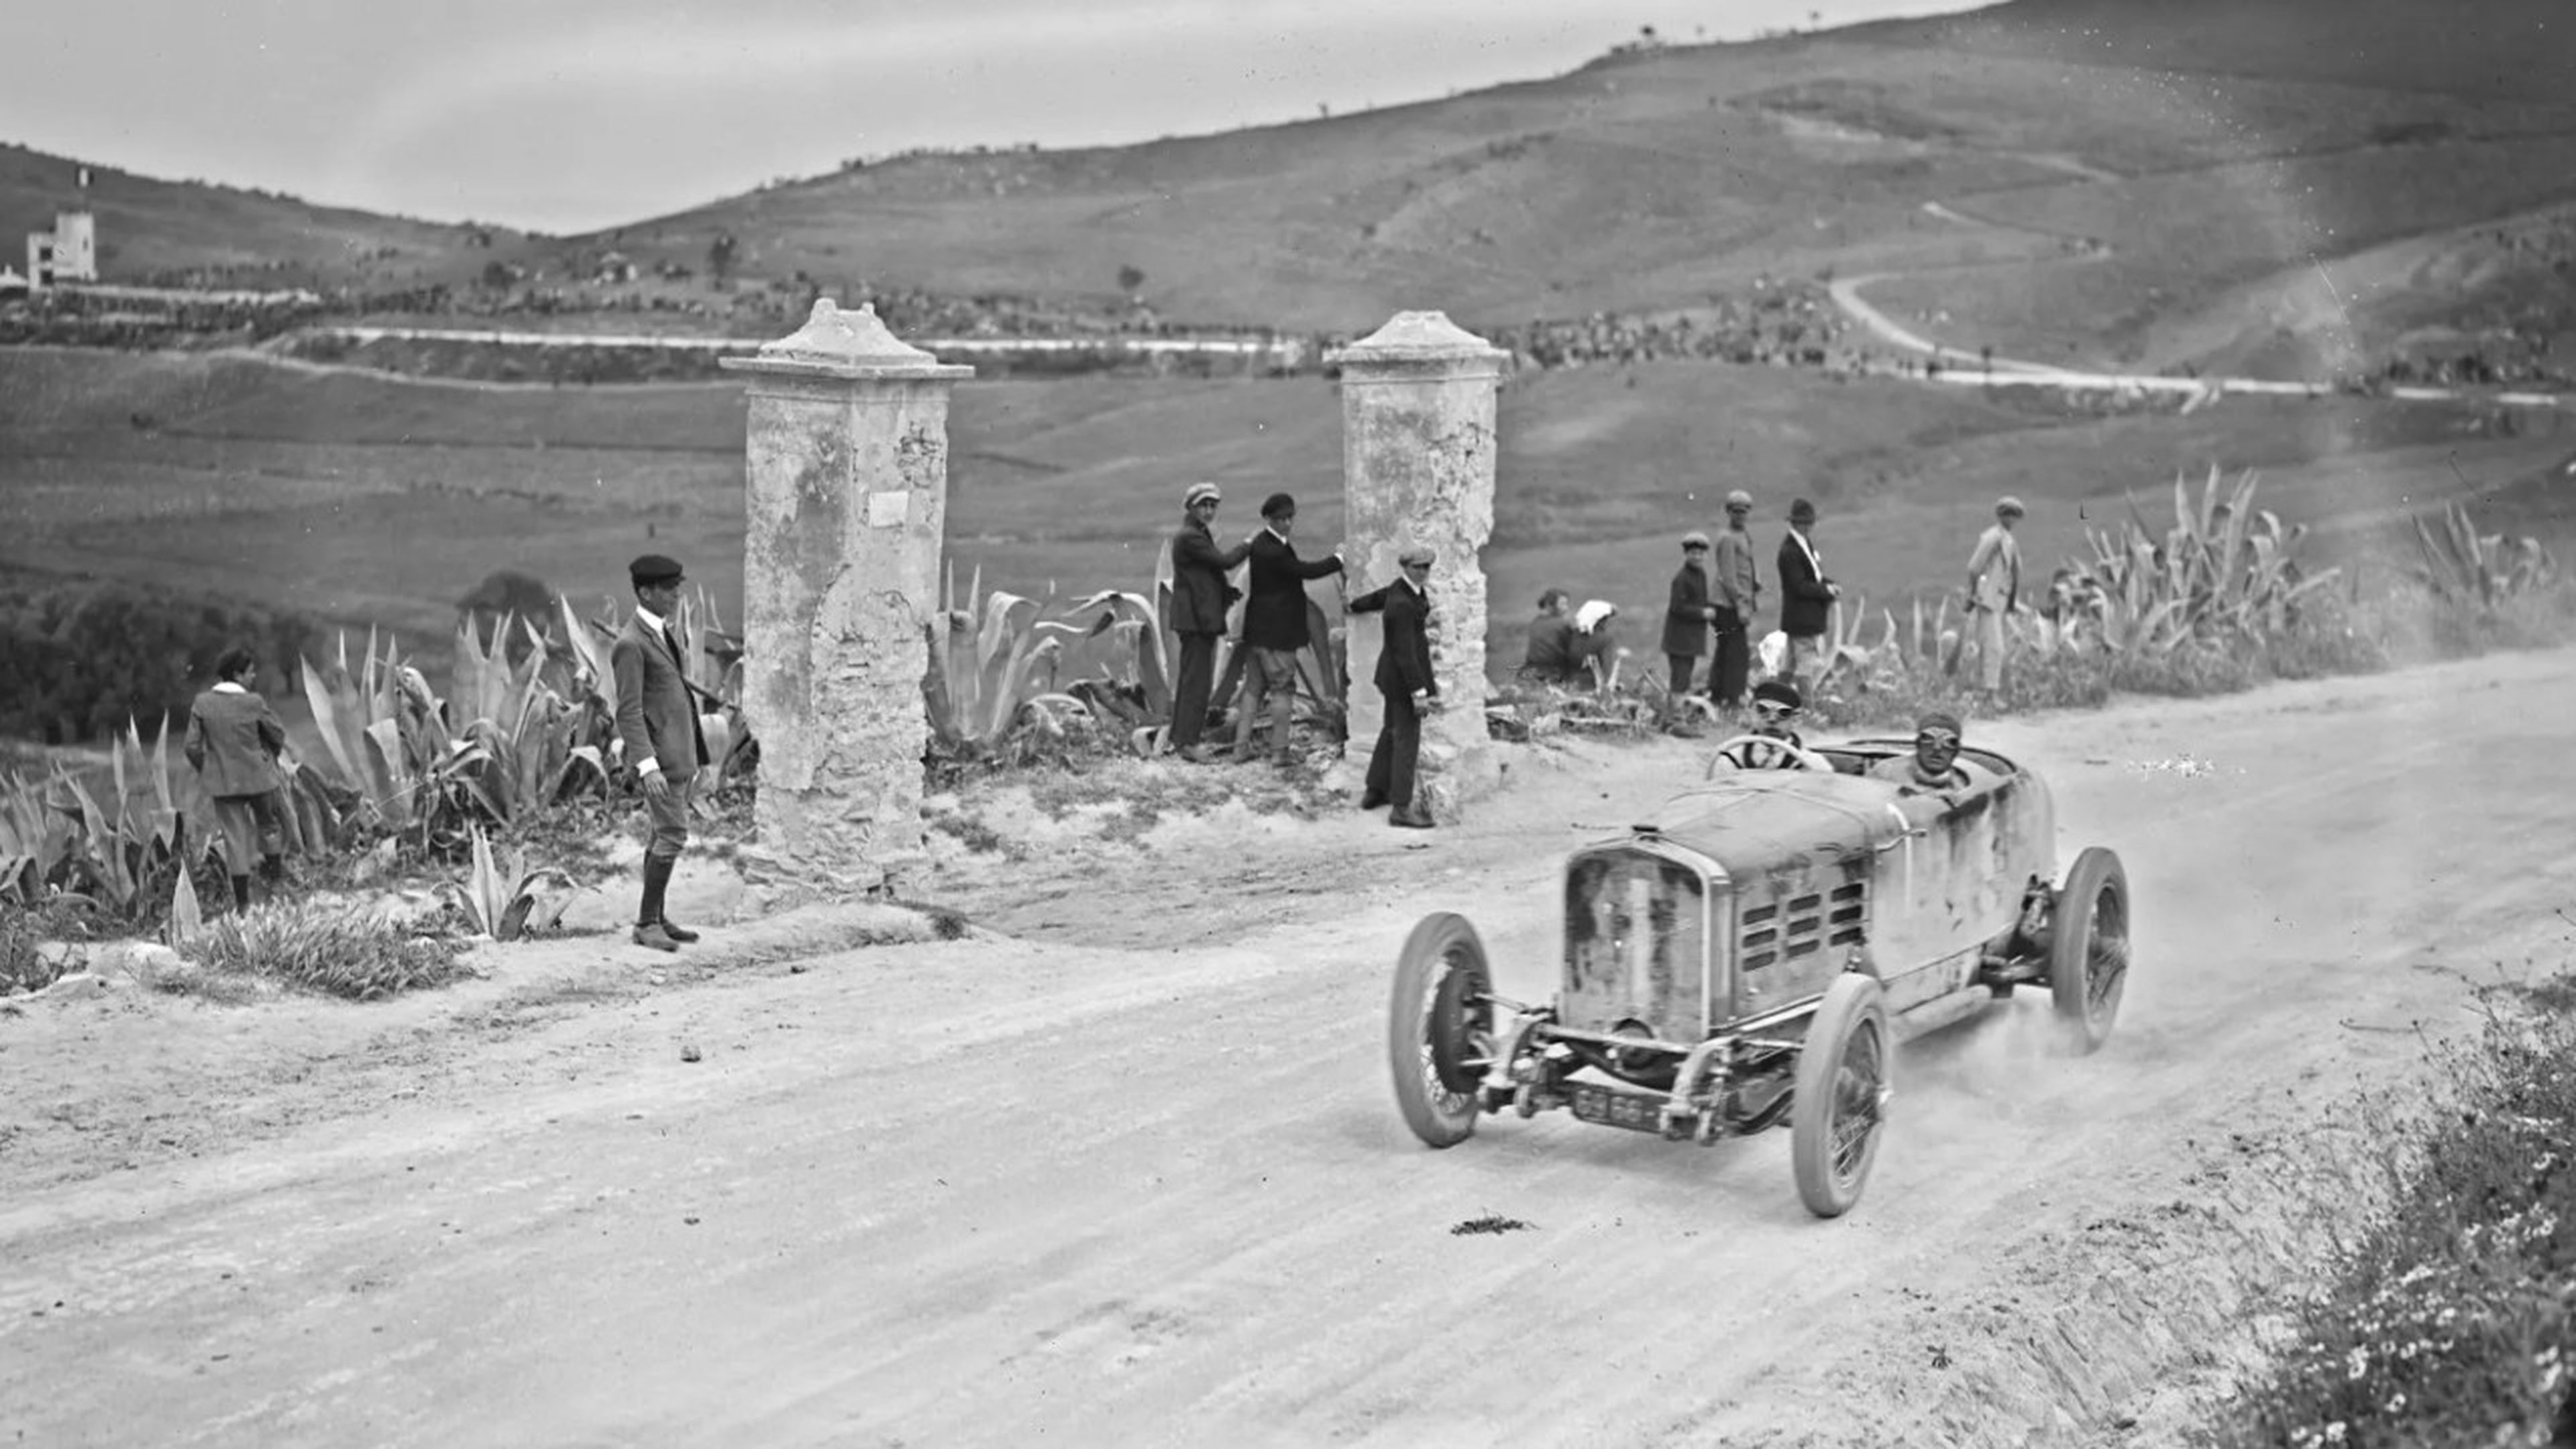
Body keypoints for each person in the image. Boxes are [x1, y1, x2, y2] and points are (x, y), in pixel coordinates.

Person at [614, 553, 710, 953]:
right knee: (672, 835)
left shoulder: (658, 631)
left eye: (677, 588)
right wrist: (647, 764)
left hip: (677, 754)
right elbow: (628, 710)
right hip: (662, 761)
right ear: (645, 592)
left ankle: (656, 916)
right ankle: (647, 923)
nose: (675, 596)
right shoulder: (631, 643)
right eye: (668, 590)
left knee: (661, 834)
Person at [1232, 492, 1344, 766]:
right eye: (1281, 519)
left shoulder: (1260, 544)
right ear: (1269, 519)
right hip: (1278, 634)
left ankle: (1240, 748)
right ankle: (1279, 752)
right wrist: (1339, 560)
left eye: (1289, 518)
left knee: (1253, 690)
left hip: (1256, 632)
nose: (1287, 524)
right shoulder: (1275, 551)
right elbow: (1304, 570)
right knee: (1283, 688)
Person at [182, 645, 289, 912]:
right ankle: (275, 887)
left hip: (224, 782)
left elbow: (191, 746)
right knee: (269, 826)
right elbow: (277, 733)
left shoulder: (203, 704)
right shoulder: (253, 702)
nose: (253, 677)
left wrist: (209, 768)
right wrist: (269, 756)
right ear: (238, 674)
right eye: (250, 673)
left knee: (234, 838)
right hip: (259, 777)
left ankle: (243, 904)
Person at [1348, 545, 1439, 828]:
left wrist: (1353, 605)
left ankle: (1375, 790)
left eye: (1427, 567)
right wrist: (1419, 692)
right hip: (1403, 681)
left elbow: (1379, 597)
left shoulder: (1401, 590)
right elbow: (1405, 652)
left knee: (1391, 732)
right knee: (1406, 742)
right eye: (1418, 567)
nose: (1423, 572)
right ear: (1406, 567)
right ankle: (1401, 807)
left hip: (1390, 678)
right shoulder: (1402, 603)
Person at [1165, 481, 1251, 761]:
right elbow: (1225, 562)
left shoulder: (1195, 534)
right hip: (1195, 620)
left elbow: (1207, 573)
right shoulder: (1191, 537)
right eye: (1204, 505)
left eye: (1213, 506)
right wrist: (1250, 544)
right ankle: (1189, 743)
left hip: (1194, 619)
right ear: (1191, 507)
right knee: (1197, 682)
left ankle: (1182, 738)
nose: (1209, 510)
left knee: (1192, 679)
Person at [1776, 497, 1840, 690]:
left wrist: (1830, 584)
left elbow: (1814, 577)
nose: (1808, 526)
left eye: (1809, 522)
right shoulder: (1790, 552)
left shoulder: (1804, 545)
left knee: (1790, 662)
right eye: (1803, 523)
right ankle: (1807, 711)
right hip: (1802, 616)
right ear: (1795, 523)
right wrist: (1826, 591)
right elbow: (1800, 586)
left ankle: (1777, 700)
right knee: (1806, 664)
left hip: (1800, 617)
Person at [1966, 496, 2025, 694]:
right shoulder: (1993, 538)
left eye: (2014, 515)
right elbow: (1974, 568)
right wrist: (1972, 594)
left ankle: (1985, 690)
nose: (2011, 519)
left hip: (1999, 600)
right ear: (2000, 515)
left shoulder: (2009, 540)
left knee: (1992, 646)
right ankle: (1989, 693)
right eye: (2007, 514)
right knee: (1994, 647)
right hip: (1987, 599)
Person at [1710, 489, 1761, 710]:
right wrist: (1742, 606)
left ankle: (1719, 696)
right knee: (1736, 653)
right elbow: (1728, 577)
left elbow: (1745, 566)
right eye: (1736, 511)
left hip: (1736, 602)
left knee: (1728, 650)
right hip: (1728, 605)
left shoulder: (1744, 535)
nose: (1740, 516)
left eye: (1744, 511)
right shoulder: (1727, 538)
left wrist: (1755, 583)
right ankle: (1731, 701)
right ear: (1728, 512)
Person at [1662, 531, 1720, 703]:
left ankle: (1676, 710)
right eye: (1693, 553)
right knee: (1680, 677)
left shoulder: (1700, 574)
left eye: (1700, 554)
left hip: (1690, 638)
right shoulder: (1682, 578)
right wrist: (1702, 613)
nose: (1697, 557)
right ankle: (1675, 713)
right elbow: (1677, 607)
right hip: (1680, 639)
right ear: (1686, 554)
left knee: (1685, 676)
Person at [1713, 678, 1811, 769]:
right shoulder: (1728, 759)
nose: (1772, 719)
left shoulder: (1811, 764)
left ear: (1796, 720)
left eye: (1783, 713)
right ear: (1752, 712)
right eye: (1763, 710)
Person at [1872, 710, 1971, 793]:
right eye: (1928, 739)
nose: (1937, 748)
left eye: (1950, 742)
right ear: (1918, 744)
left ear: (1956, 751)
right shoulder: (1886, 773)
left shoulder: (1961, 787)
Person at [1518, 588, 1579, 684]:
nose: (1566, 608)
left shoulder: (1535, 622)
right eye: (1563, 604)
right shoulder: (1562, 624)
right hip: (1553, 673)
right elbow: (1573, 650)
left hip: (1529, 671)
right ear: (1551, 605)